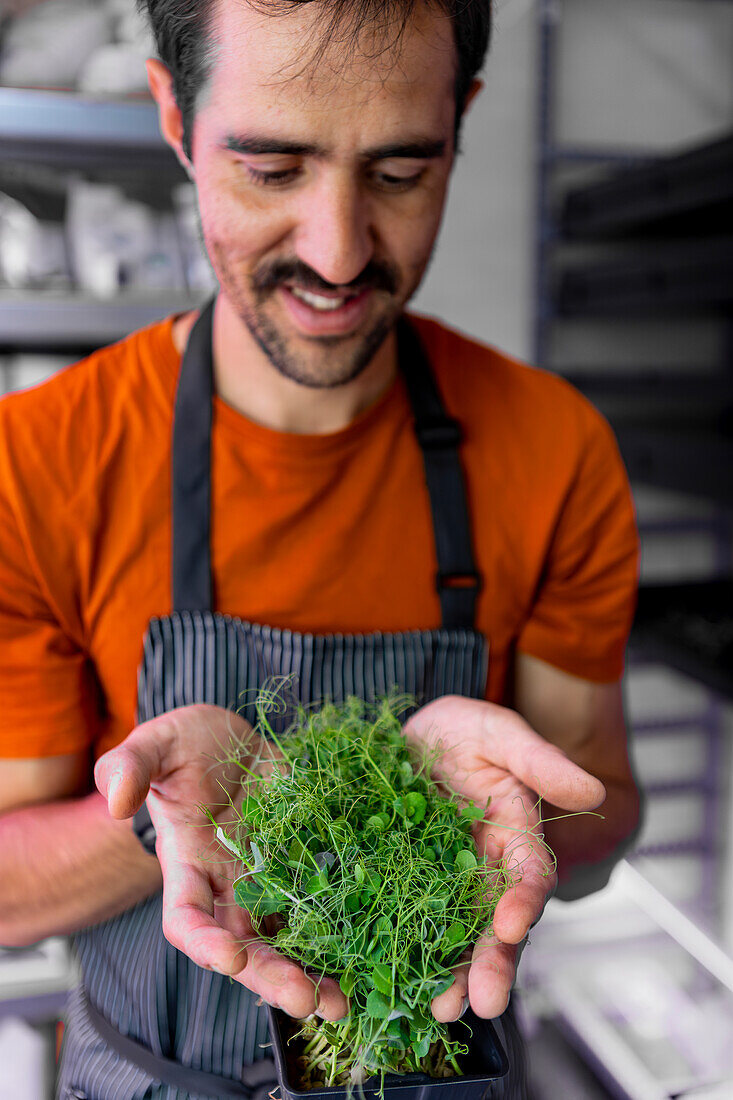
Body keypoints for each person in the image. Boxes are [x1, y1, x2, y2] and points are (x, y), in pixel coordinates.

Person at [0, 0, 642, 1097]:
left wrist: (509, 815)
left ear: (460, 123)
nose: (339, 253)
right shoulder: (37, 462)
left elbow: (606, 809)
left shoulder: (552, 448)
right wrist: (179, 824)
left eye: (400, 171)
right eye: (270, 166)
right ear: (173, 116)